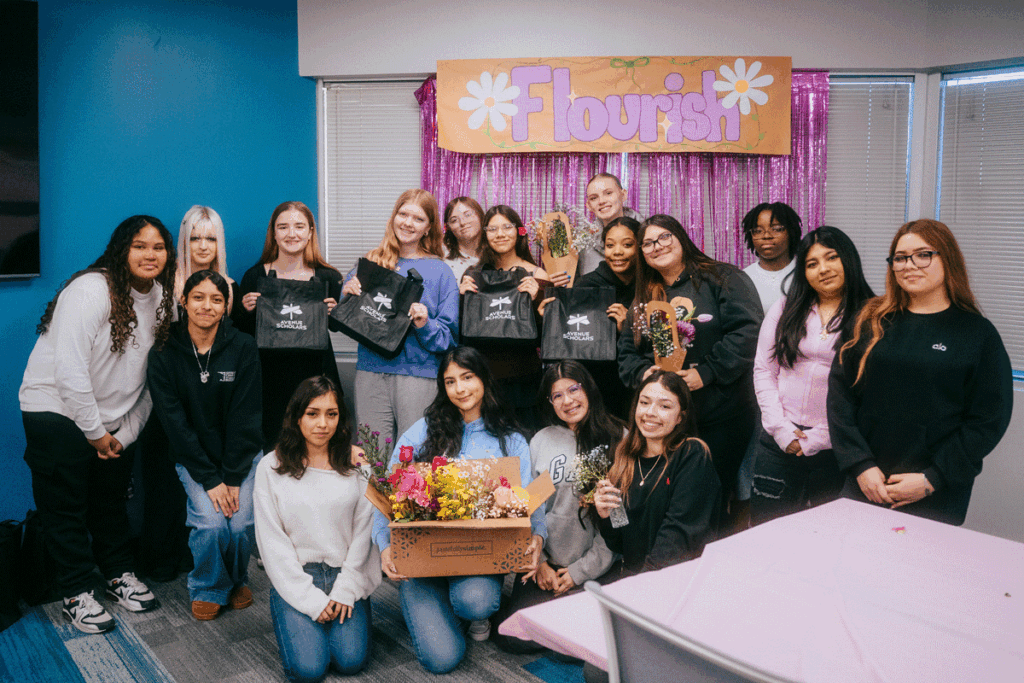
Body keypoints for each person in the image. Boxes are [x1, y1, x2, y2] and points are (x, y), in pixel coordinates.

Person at [19, 215, 175, 633]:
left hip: (113, 421)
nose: (149, 254)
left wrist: (122, 436)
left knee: (110, 503)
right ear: (121, 248)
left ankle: (117, 575)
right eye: (139, 245)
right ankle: (75, 592)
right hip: (55, 410)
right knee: (66, 507)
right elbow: (69, 371)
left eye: (158, 247)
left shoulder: (163, 299)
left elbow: (151, 382)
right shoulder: (90, 291)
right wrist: (94, 433)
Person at [372, 346, 547, 674]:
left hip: (477, 558)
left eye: (467, 377)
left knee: (475, 601)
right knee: (442, 660)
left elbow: (531, 503)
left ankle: (468, 611)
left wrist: (538, 535)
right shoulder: (422, 432)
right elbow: (388, 492)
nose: (460, 389)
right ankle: (444, 610)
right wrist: (384, 546)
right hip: (423, 562)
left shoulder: (510, 440)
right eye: (450, 382)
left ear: (484, 380)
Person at [828, 219, 1012, 526]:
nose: (909, 265)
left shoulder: (976, 334)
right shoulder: (868, 320)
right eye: (900, 257)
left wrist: (933, 478)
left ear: (947, 258)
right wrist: (859, 464)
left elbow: (988, 419)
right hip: (866, 482)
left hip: (933, 490)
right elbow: (840, 397)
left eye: (923, 254)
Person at [617, 215, 763, 522]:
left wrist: (705, 374)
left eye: (664, 237)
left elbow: (748, 332)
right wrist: (646, 376)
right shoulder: (646, 297)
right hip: (665, 424)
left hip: (720, 416)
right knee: (669, 499)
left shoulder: (722, 277)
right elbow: (627, 353)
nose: (657, 247)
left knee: (714, 498)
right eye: (647, 243)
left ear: (681, 237)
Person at [147, 270, 263, 620]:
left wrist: (230, 475)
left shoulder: (243, 346)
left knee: (240, 525)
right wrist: (210, 479)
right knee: (212, 525)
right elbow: (175, 425)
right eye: (198, 297)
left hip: (240, 457)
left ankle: (237, 578)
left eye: (216, 299)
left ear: (226, 306)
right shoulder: (164, 351)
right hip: (194, 458)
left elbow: (246, 417)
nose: (207, 306)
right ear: (183, 301)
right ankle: (209, 586)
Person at [255, 376, 379, 681]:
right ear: (297, 417)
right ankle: (293, 615)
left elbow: (364, 535)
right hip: (298, 575)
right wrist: (309, 600)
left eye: (331, 414)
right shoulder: (270, 467)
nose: (322, 423)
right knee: (309, 670)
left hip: (346, 573)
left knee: (350, 662)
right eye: (313, 413)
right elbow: (272, 543)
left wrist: (347, 588)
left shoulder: (358, 466)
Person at [492, 361, 620, 654]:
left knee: (590, 639)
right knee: (509, 636)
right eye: (557, 395)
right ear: (549, 402)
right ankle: (568, 634)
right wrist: (540, 563)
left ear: (588, 389)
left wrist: (579, 572)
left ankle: (570, 631)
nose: (568, 401)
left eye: (573, 389)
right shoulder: (541, 440)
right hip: (547, 564)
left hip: (596, 566)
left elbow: (618, 520)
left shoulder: (618, 437)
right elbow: (530, 509)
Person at [751, 227, 874, 525]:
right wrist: (781, 429)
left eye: (831, 258)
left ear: (849, 260)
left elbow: (869, 393)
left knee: (828, 538)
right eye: (812, 263)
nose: (823, 269)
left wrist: (820, 437)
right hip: (778, 442)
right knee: (768, 533)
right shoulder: (786, 308)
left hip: (838, 447)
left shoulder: (872, 315)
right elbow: (764, 370)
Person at [342, 189, 459, 449]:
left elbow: (449, 339)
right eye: (403, 214)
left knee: (414, 456)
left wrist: (424, 323)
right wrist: (346, 293)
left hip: (418, 375)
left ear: (429, 228)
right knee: (372, 456)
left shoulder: (441, 272)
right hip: (371, 371)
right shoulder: (373, 261)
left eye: (418, 219)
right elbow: (346, 316)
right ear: (393, 217)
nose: (407, 223)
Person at [237, 201, 343, 451]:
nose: (291, 233)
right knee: (273, 448)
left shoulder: (327, 276)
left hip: (315, 373)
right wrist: (245, 309)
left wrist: (336, 312)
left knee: (318, 448)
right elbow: (241, 332)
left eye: (299, 226)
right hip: (268, 377)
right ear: (273, 233)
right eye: (283, 227)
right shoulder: (255, 276)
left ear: (310, 232)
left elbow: (338, 327)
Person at [593, 370, 721, 575]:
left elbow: (679, 534)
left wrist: (642, 584)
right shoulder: (623, 459)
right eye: (644, 403)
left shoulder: (692, 454)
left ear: (681, 416)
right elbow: (619, 544)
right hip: (635, 579)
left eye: (664, 406)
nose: (650, 412)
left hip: (675, 579)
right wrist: (606, 516)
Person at [460, 205, 551, 435]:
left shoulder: (538, 275)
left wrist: (536, 298)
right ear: (485, 234)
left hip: (525, 381)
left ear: (520, 231)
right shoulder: (473, 275)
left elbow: (549, 339)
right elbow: (463, 333)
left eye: (506, 227)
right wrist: (460, 299)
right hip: (483, 380)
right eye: (492, 229)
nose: (500, 234)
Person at [574, 216, 641, 418]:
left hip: (636, 386)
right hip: (595, 386)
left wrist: (628, 328)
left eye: (627, 244)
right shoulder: (586, 285)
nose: (617, 252)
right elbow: (573, 341)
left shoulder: (650, 287)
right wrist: (552, 318)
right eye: (610, 245)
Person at [174, 205, 240, 316]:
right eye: (195, 238)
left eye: (211, 239)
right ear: (184, 242)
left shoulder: (231, 287)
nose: (203, 246)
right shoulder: (165, 283)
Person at [577, 172, 644, 277]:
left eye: (608, 193)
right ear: (588, 205)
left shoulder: (646, 234)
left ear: (623, 195)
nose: (601, 201)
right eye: (594, 198)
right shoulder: (582, 242)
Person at [741, 201, 801, 313]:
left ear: (791, 232)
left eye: (777, 229)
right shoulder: (743, 279)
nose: (766, 236)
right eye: (758, 231)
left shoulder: (806, 272)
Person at [442, 196, 485, 282]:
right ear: (449, 227)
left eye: (468, 215)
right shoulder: (442, 259)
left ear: (480, 215)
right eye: (454, 220)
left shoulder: (497, 251)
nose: (463, 222)